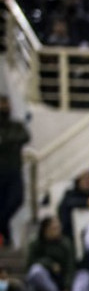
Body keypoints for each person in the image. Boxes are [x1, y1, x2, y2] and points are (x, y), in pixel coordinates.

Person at [0, 95, 30, 247]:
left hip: (13, 172)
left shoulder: (16, 125)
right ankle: (5, 239)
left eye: (6, 103)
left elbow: (25, 137)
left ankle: (2, 227)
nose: (5, 106)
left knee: (16, 200)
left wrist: (5, 140)